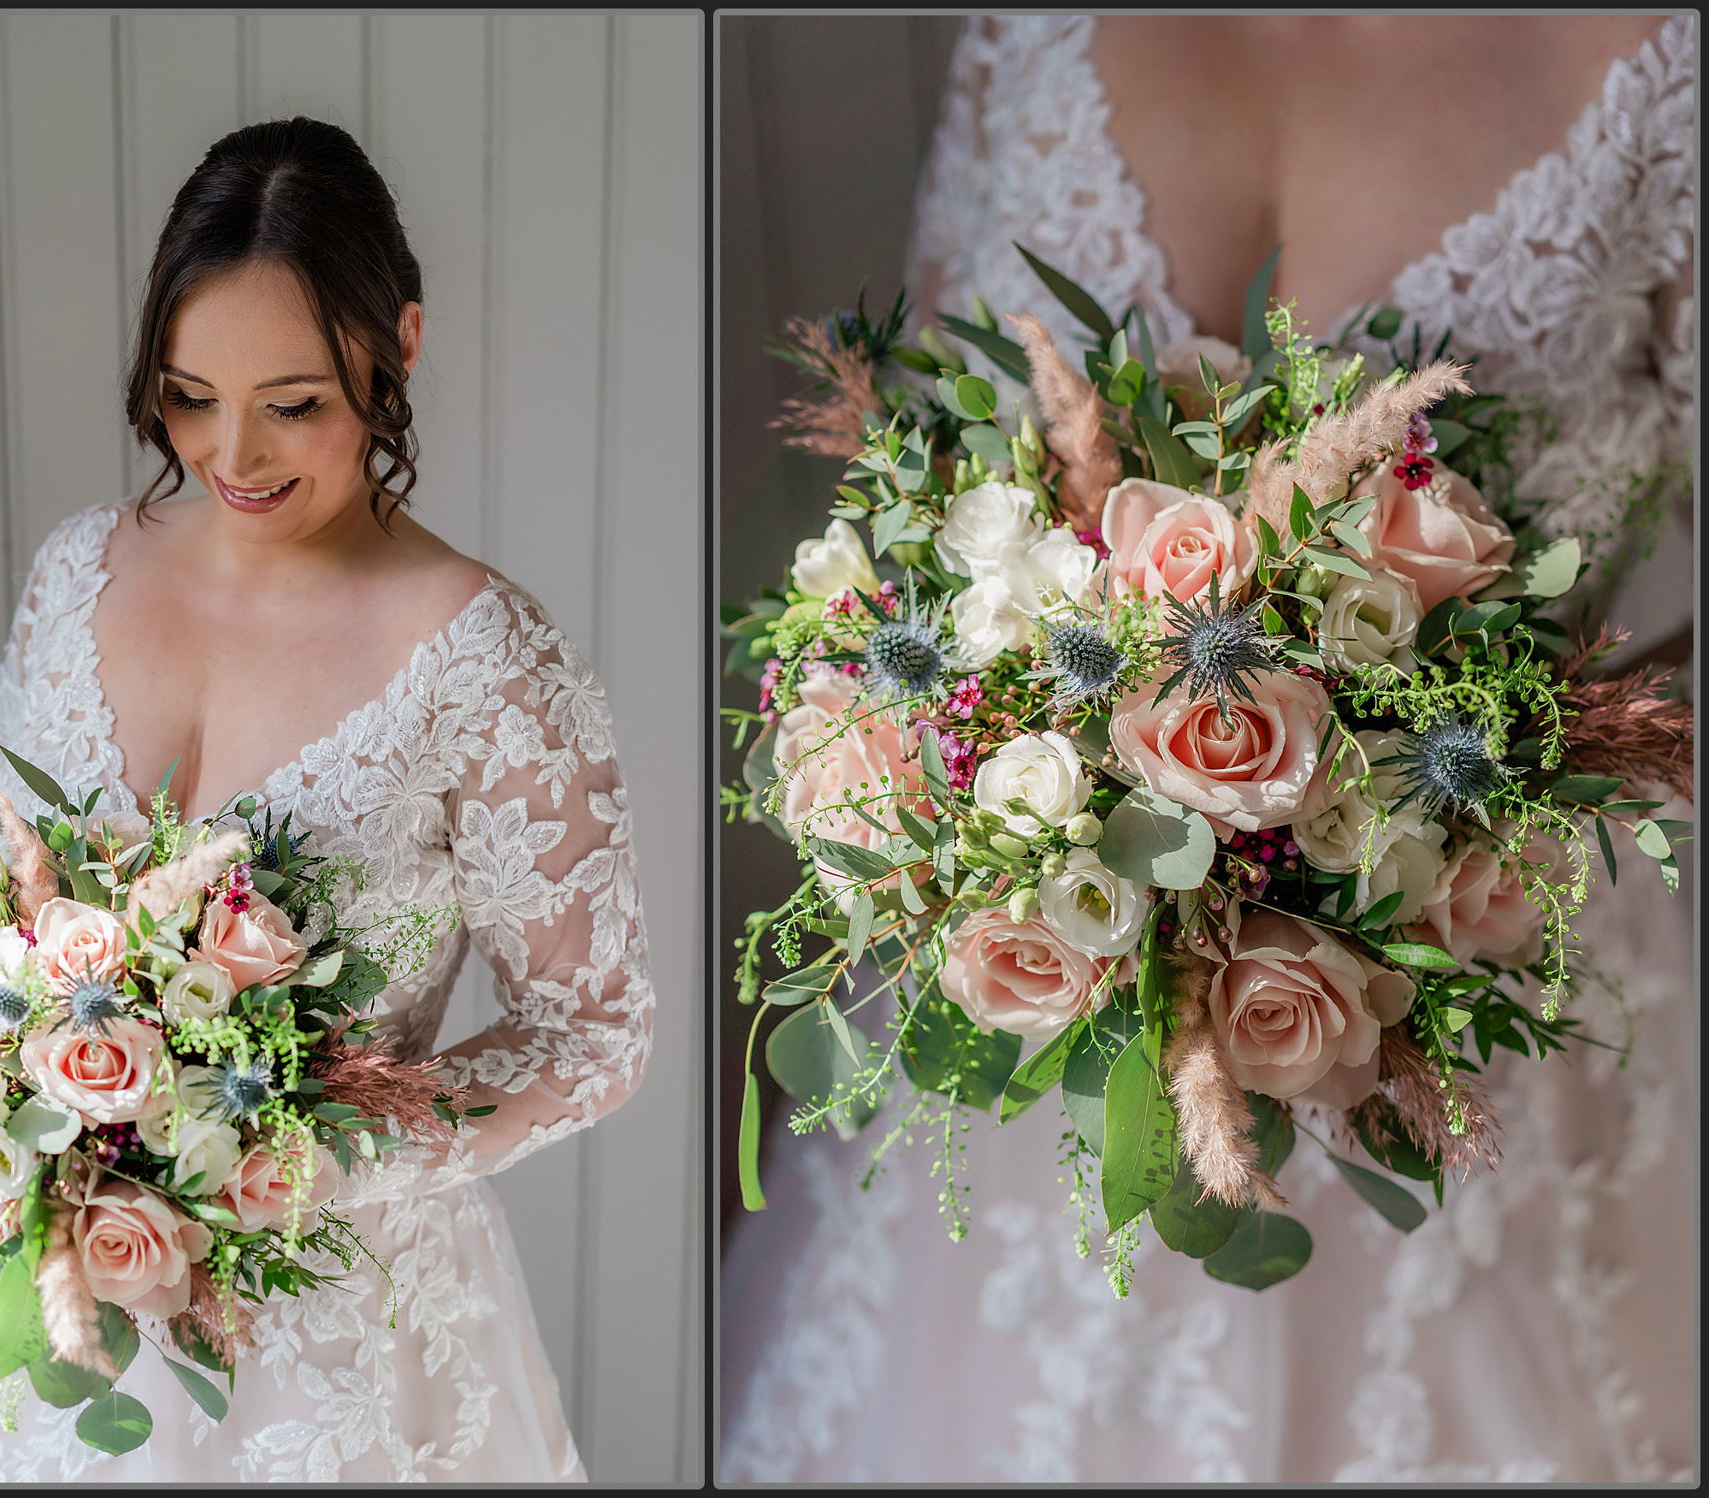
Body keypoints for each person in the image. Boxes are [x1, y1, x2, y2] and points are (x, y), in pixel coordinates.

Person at [721, 14, 1694, 1482]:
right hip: (1028, 990)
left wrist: (1460, 770)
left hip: (1480, 995)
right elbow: (909, 488)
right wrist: (988, 768)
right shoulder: (1032, 28)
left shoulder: (1657, 63)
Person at [0, 116, 653, 1483]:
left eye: (294, 401)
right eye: (191, 394)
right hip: (46, 1310)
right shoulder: (76, 568)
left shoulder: (487, 654)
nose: (232, 453)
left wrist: (298, 1155)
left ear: (401, 347)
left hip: (338, 1346)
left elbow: (596, 1031)